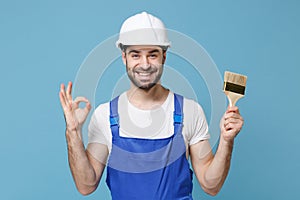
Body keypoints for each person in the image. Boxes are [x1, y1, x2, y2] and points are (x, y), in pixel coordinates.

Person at [59, 12, 244, 199]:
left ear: (164, 56)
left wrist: (226, 141)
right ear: (124, 58)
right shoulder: (104, 115)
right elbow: (86, 185)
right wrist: (72, 132)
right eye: (136, 55)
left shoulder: (190, 111)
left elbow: (211, 185)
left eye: (152, 54)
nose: (145, 64)